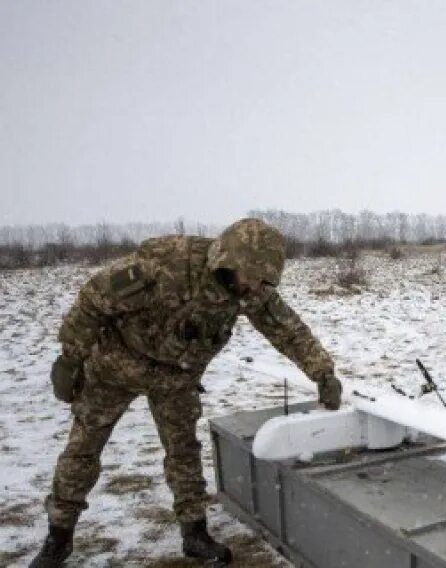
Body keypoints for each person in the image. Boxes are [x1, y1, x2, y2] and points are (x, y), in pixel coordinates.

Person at [31, 218, 342, 567]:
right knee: (83, 449)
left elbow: (288, 330)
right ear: (228, 260)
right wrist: (70, 359)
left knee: (183, 452)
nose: (255, 284)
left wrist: (322, 371)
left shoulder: (251, 289)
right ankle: (58, 537)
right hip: (116, 367)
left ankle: (194, 533)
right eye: (250, 274)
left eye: (261, 277)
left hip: (176, 377)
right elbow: (93, 301)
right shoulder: (164, 265)